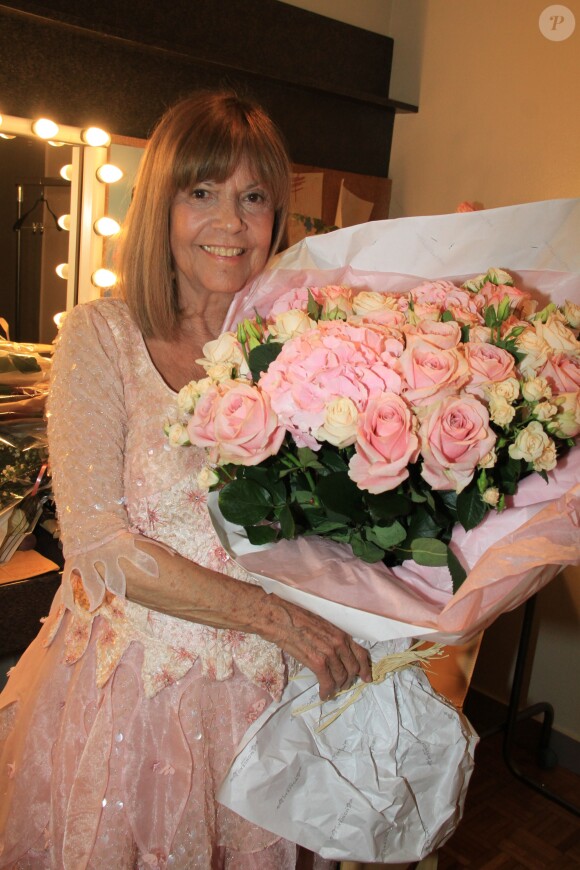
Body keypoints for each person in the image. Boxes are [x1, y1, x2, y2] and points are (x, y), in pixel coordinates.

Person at [0, 91, 373, 869]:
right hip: (136, 692)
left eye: (253, 197)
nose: (230, 223)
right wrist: (280, 621)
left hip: (269, 696)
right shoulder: (101, 337)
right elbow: (101, 546)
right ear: (160, 205)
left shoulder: (297, 344)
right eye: (201, 192)